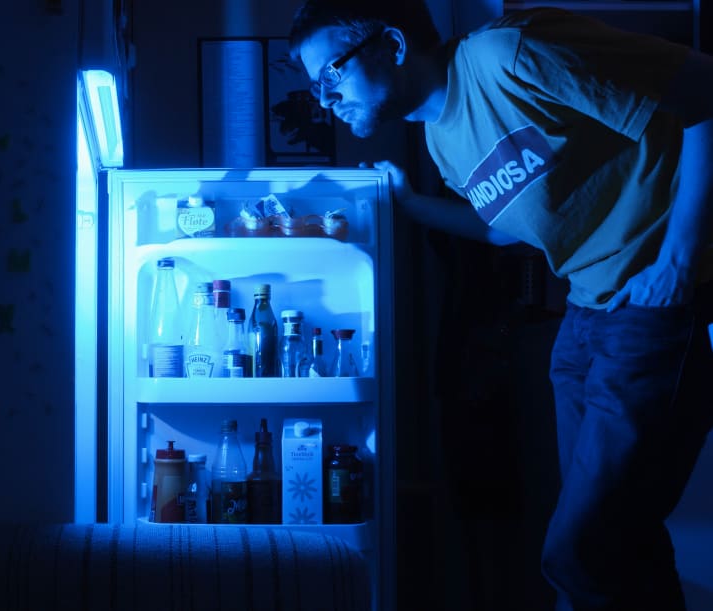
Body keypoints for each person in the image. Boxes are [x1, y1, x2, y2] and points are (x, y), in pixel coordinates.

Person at [288, 1, 713, 610]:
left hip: (649, 305)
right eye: (313, 85)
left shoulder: (507, 55)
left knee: (581, 550)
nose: (324, 97)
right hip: (587, 319)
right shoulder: (440, 142)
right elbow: (510, 227)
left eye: (332, 72)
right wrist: (409, 204)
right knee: (621, 540)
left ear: (394, 46)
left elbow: (703, 91)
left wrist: (676, 263)